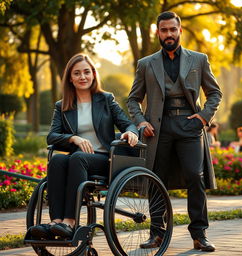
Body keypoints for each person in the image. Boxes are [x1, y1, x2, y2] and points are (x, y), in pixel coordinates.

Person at [127, 11, 222, 252]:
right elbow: (133, 100)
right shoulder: (146, 64)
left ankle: (199, 234)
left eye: (172, 29)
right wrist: (140, 122)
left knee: (194, 176)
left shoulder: (198, 60)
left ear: (179, 31)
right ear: (158, 33)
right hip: (158, 129)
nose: (168, 34)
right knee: (157, 179)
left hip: (190, 125)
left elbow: (215, 93)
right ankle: (157, 234)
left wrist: (202, 117)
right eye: (164, 30)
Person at [30, 53, 138, 240]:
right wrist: (74, 138)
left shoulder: (106, 99)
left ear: (94, 75)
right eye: (77, 73)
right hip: (77, 159)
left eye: (87, 72)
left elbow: (127, 123)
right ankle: (56, 222)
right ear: (70, 78)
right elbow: (52, 136)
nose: (83, 77)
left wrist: (131, 132)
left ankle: (70, 222)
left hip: (104, 159)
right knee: (57, 160)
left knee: (78, 158)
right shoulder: (62, 106)